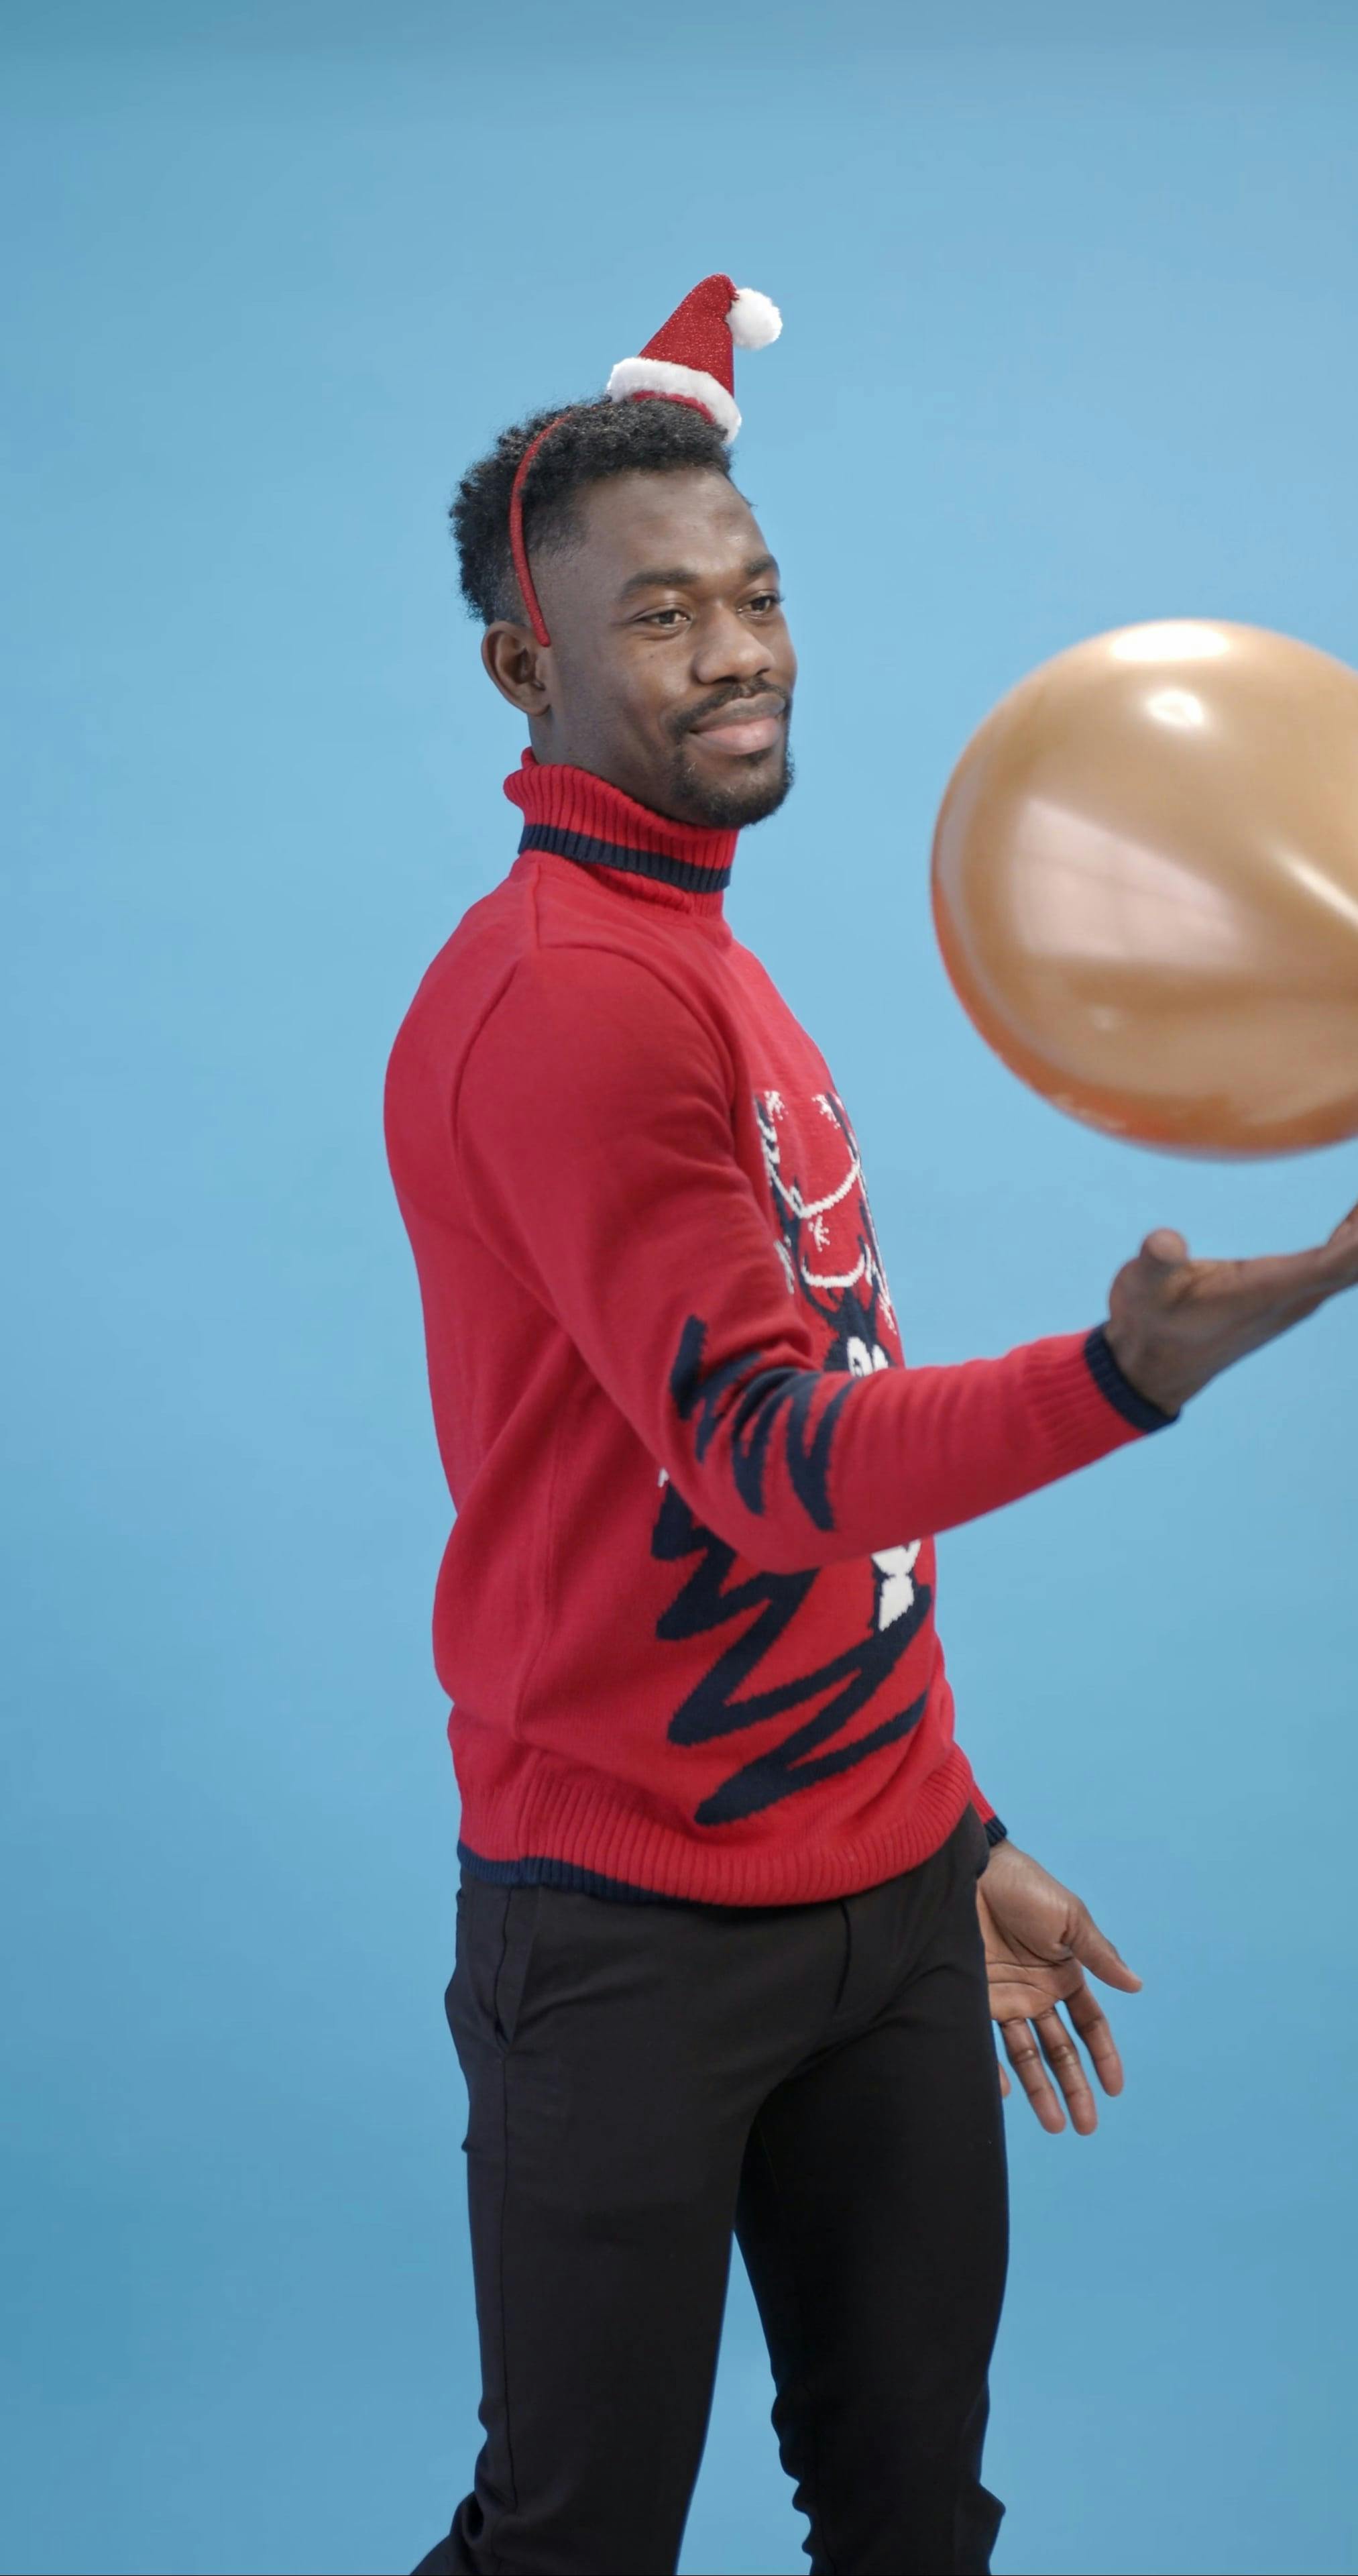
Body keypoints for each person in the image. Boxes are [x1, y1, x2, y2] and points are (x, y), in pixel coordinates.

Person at [383, 277, 1358, 2576]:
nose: (739, 654)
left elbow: (814, 1518)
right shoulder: (572, 999)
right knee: (572, 2544)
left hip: (891, 1899)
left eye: (755, 594)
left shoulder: (697, 953)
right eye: (661, 617)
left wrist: (948, 1828)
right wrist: (1133, 1372)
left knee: (914, 2516)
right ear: (525, 670)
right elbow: (771, 1463)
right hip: (625, 1929)